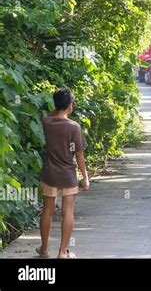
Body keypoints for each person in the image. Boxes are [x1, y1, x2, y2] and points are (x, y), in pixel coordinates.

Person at [38, 89, 89, 259]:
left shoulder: (47, 121)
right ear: (70, 105)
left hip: (50, 174)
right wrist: (85, 178)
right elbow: (79, 154)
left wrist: (62, 107)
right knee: (68, 211)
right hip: (68, 175)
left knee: (48, 210)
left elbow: (52, 113)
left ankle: (44, 249)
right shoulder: (74, 127)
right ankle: (62, 252)